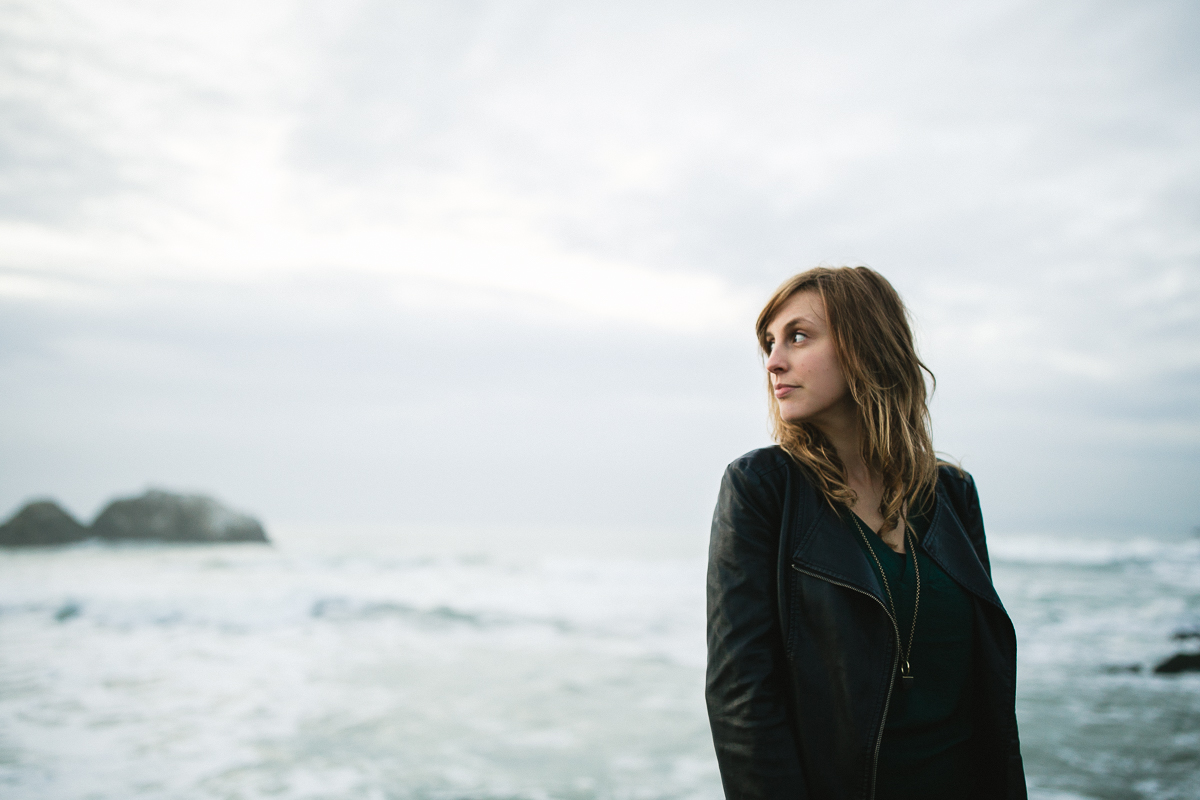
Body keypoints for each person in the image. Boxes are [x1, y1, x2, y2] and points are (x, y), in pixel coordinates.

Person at [705, 266, 1026, 800]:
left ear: (865, 346)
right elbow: (742, 698)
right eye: (769, 344)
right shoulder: (763, 489)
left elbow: (985, 692)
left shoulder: (951, 495)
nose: (773, 362)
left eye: (798, 336)